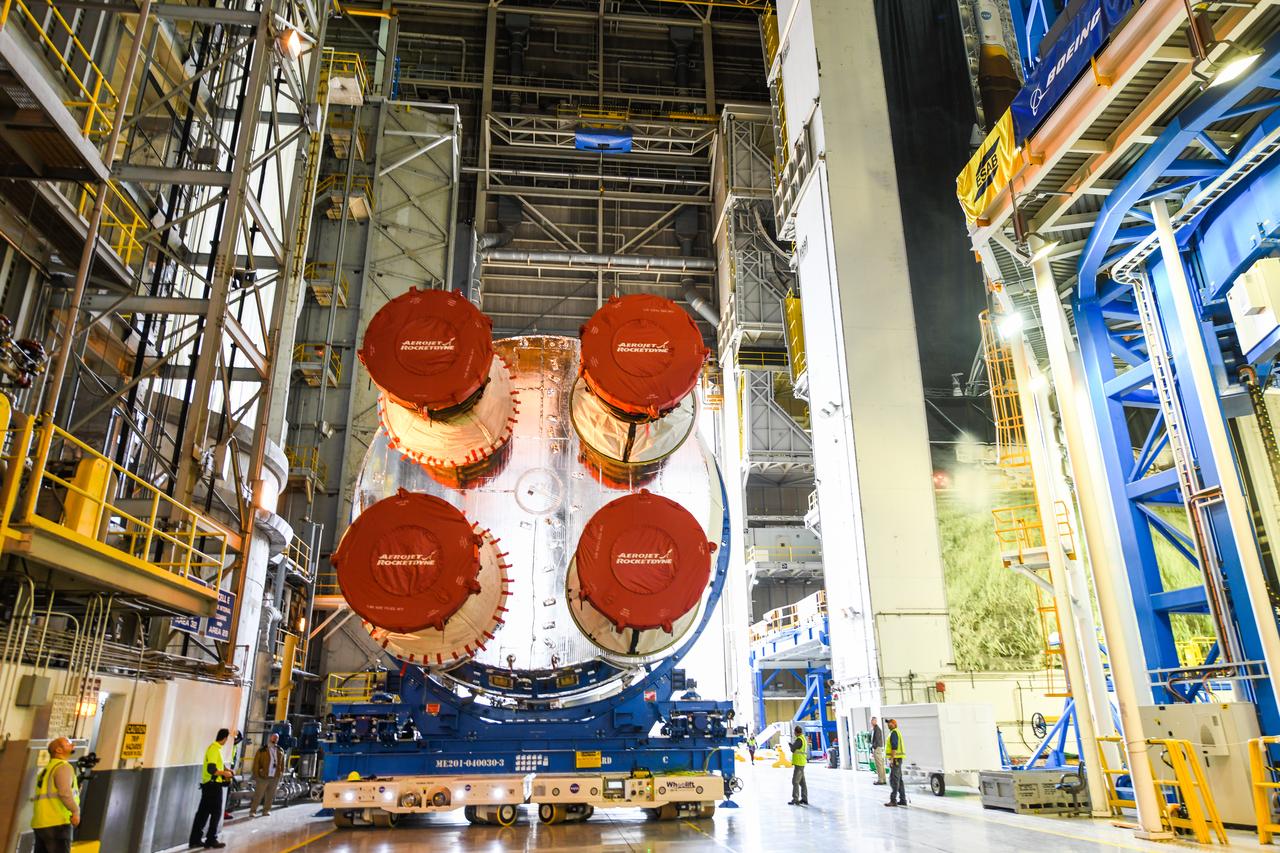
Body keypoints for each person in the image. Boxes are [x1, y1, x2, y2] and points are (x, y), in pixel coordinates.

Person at [31, 737, 80, 853]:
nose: (72, 744)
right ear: (58, 750)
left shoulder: (47, 769)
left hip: (41, 822)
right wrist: (75, 811)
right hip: (57, 823)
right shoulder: (63, 767)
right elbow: (64, 794)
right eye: (68, 743)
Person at [190, 728, 234, 849]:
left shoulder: (214, 748)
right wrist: (225, 774)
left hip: (208, 786)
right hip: (213, 787)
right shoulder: (215, 749)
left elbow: (216, 766)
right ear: (224, 738)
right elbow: (212, 769)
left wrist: (226, 769)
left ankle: (195, 840)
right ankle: (211, 839)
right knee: (216, 813)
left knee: (203, 814)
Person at [248, 733, 286, 817]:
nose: (275, 739)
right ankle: (253, 811)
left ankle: (266, 810)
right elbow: (256, 763)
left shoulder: (280, 750)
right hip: (263, 777)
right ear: (270, 738)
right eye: (273, 738)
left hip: (275, 777)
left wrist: (281, 774)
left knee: (270, 796)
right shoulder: (262, 750)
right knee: (258, 795)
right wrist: (256, 775)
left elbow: (282, 764)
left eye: (276, 738)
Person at [885, 718, 907, 807]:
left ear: (894, 724)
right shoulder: (894, 732)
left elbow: (894, 747)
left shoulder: (894, 733)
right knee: (899, 780)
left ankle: (893, 800)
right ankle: (902, 800)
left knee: (894, 780)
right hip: (898, 759)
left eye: (890, 723)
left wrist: (892, 759)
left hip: (896, 759)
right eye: (888, 723)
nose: (888, 724)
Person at [787, 726, 808, 806]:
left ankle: (795, 799)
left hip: (799, 763)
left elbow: (793, 749)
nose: (794, 733)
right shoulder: (803, 738)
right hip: (802, 762)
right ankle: (804, 799)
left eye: (794, 732)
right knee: (802, 783)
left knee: (795, 781)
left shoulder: (799, 739)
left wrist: (790, 745)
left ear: (796, 732)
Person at [870, 716, 886, 785]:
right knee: (880, 764)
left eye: (872, 721)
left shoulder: (877, 729)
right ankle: (883, 779)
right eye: (871, 721)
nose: (871, 722)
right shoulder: (874, 729)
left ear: (875, 721)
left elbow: (877, 740)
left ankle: (880, 780)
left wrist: (874, 747)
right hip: (877, 748)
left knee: (879, 765)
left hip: (877, 748)